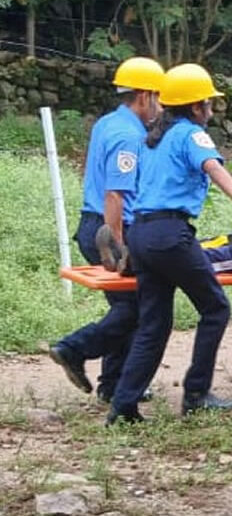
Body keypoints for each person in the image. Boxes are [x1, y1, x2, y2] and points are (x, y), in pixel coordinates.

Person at [108, 63, 232, 424]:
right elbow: (212, 166)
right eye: (208, 102)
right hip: (169, 234)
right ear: (196, 106)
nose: (211, 109)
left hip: (141, 234)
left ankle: (122, 407)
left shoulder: (154, 138)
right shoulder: (192, 135)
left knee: (153, 323)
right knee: (215, 308)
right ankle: (195, 393)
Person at [48, 57, 164, 404]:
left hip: (93, 221)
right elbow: (115, 192)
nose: (160, 106)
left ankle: (113, 385)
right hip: (112, 228)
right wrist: (118, 243)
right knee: (136, 310)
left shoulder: (107, 123)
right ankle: (75, 348)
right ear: (144, 96)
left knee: (128, 307)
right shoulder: (129, 136)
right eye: (158, 97)